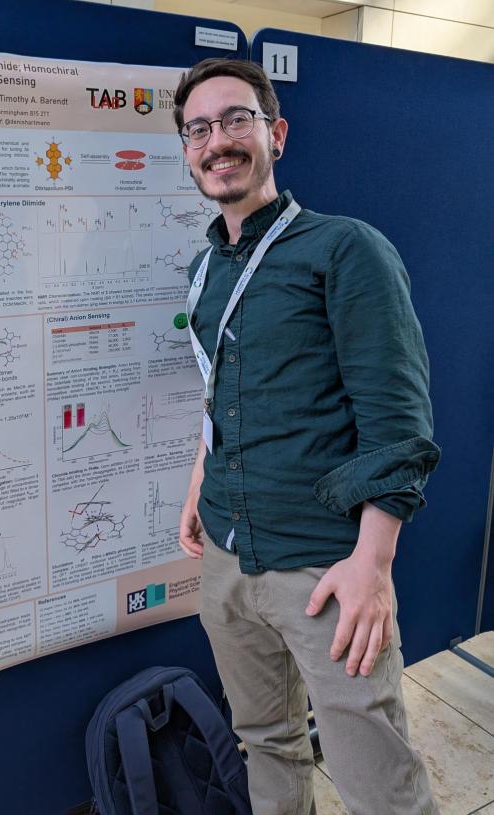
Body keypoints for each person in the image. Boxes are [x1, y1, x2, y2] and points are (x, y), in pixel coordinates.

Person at [176, 57, 440, 815]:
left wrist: (373, 565)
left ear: (276, 134)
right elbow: (220, 392)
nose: (218, 140)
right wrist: (198, 484)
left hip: (324, 566)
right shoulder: (204, 270)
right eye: (198, 129)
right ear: (188, 151)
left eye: (237, 119)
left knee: (375, 779)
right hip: (227, 556)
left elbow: (397, 419)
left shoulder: (345, 249)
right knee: (265, 741)